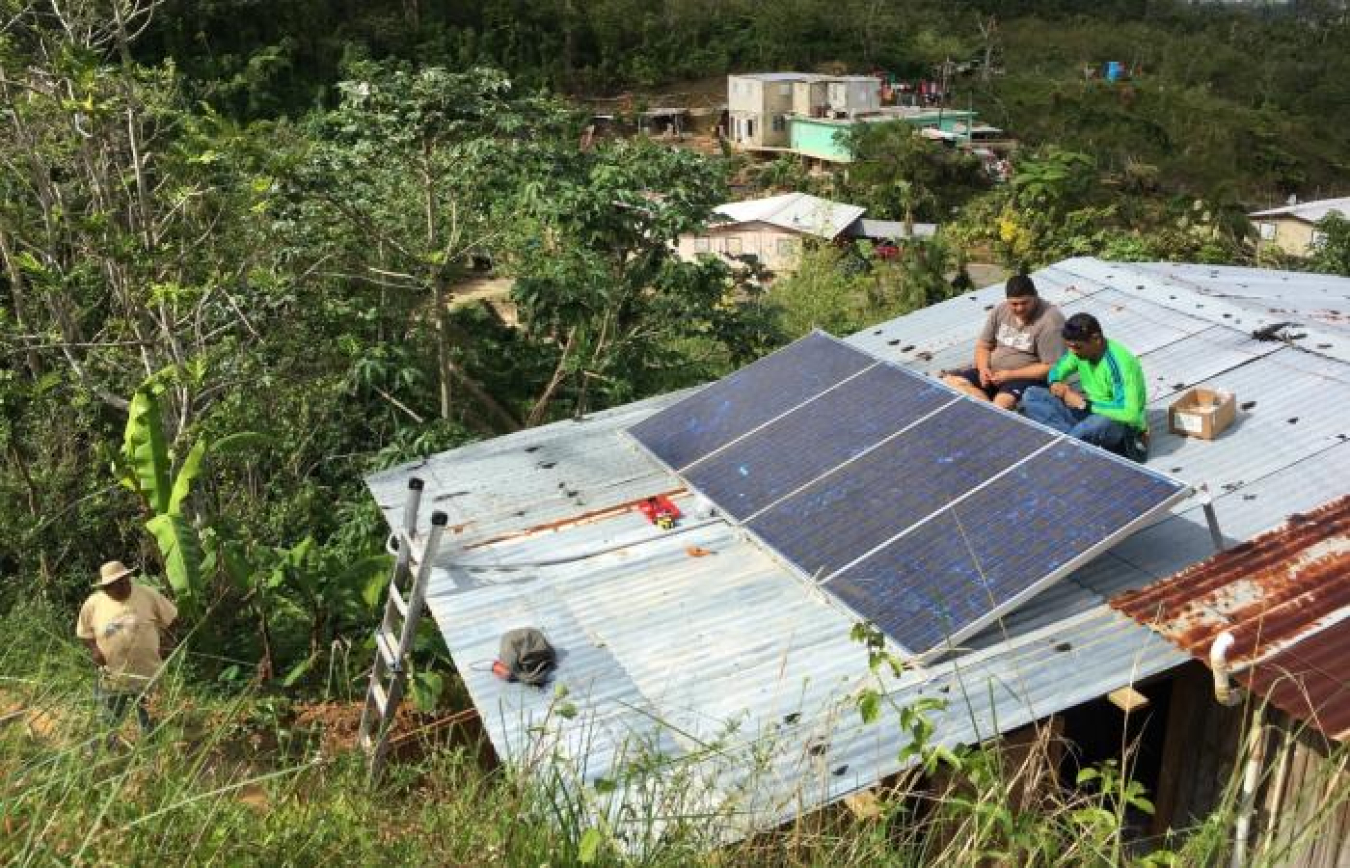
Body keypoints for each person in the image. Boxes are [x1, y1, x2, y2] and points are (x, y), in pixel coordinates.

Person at [77, 560, 178, 746]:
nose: (123, 587)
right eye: (116, 585)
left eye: (125, 582)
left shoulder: (148, 595)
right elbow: (84, 633)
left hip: (148, 673)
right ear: (106, 587)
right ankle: (103, 758)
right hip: (112, 677)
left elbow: (173, 618)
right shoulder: (93, 603)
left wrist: (168, 642)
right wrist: (94, 650)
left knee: (152, 721)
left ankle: (151, 755)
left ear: (128, 578)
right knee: (108, 720)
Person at [1022, 313, 1148, 459]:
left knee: (1098, 423)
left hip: (1119, 423)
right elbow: (1058, 368)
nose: (1073, 352)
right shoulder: (1078, 353)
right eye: (1069, 347)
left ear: (1096, 339)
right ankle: (1075, 440)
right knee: (1032, 395)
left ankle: (1065, 450)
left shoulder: (1121, 365)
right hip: (1088, 413)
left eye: (1077, 347)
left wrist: (1085, 405)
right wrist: (1055, 382)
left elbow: (1129, 413)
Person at [942, 274, 1066, 410]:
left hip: (1026, 379)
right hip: (992, 373)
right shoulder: (1000, 310)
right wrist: (983, 369)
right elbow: (983, 346)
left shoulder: (1051, 321)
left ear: (1035, 296)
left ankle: (990, 412)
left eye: (1024, 303)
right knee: (949, 382)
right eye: (1014, 304)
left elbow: (1052, 367)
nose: (1019, 308)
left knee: (1001, 405)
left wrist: (1010, 375)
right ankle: (986, 409)